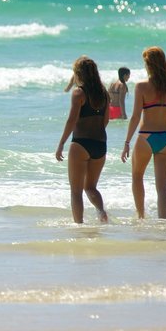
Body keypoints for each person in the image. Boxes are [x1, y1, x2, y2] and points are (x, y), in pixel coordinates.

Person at [121, 46, 166, 219]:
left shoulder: (141, 86)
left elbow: (135, 117)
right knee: (162, 187)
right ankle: (163, 221)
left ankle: (141, 217)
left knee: (137, 176)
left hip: (146, 137)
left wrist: (126, 142)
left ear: (148, 65)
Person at [55, 56, 110, 224]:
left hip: (81, 143)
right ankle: (101, 214)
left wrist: (61, 143)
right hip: (100, 144)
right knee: (91, 187)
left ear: (79, 73)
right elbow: (106, 120)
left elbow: (72, 120)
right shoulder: (104, 93)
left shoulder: (79, 92)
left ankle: (78, 225)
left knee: (76, 191)